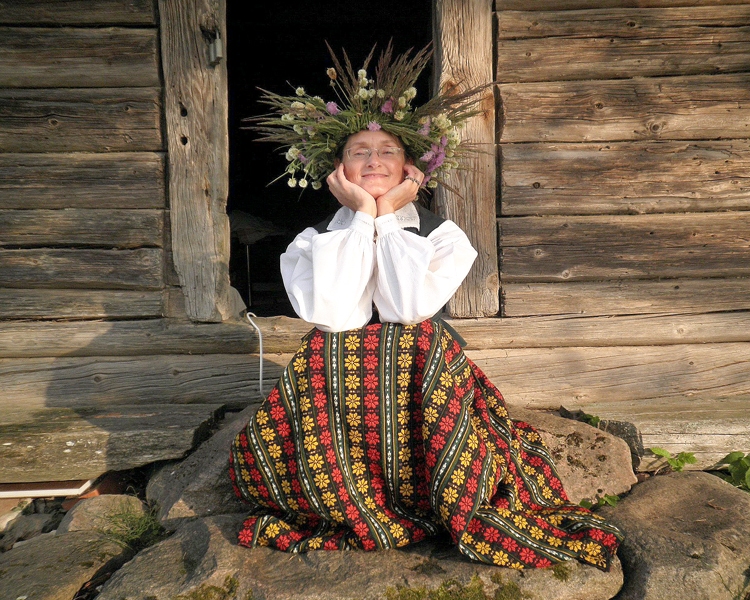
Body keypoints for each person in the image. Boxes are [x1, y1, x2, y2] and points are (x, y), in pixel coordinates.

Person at [230, 45, 622, 571]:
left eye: (386, 150)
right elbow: (335, 316)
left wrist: (387, 220)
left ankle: (429, 490)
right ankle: (345, 493)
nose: (372, 161)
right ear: (338, 170)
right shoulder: (311, 241)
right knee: (325, 348)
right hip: (340, 378)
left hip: (421, 370)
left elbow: (407, 308)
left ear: (411, 167)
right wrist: (363, 216)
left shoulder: (444, 237)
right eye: (358, 152)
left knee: (413, 340)